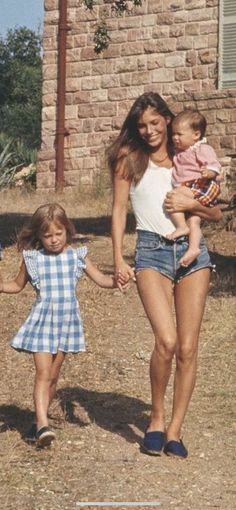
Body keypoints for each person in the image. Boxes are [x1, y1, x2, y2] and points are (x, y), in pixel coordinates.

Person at [108, 91, 221, 458]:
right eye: (142, 125)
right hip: (151, 252)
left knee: (188, 348)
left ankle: (174, 431)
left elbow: (215, 214)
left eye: (156, 123)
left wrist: (193, 205)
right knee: (167, 341)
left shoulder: (186, 157)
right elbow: (119, 209)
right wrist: (119, 259)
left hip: (192, 254)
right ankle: (155, 419)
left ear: (168, 121)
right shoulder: (129, 158)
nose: (150, 130)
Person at [0, 203, 122, 448]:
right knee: (43, 374)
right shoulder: (33, 259)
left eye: (58, 234)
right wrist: (1, 286)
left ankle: (37, 423)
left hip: (66, 324)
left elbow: (102, 280)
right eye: (47, 235)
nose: (54, 240)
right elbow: (16, 285)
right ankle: (44, 424)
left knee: (53, 377)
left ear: (67, 230)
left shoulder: (76, 256)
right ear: (38, 236)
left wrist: (118, 280)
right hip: (43, 323)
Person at [167, 109, 221, 266]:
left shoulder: (201, 149)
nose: (175, 138)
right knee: (194, 221)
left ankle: (181, 227)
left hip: (200, 184)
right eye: (173, 134)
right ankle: (194, 248)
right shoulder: (180, 150)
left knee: (173, 196)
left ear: (196, 135)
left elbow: (214, 165)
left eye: (179, 134)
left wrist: (209, 172)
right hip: (192, 187)